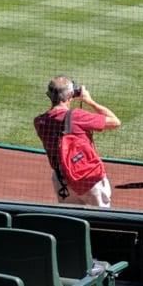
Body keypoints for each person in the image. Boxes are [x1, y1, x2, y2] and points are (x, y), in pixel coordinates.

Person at [34, 76, 121, 207]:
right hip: (89, 179)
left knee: (72, 218)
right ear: (71, 95)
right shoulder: (78, 116)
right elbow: (115, 122)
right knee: (101, 220)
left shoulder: (39, 122)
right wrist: (89, 101)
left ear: (48, 95)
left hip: (62, 180)